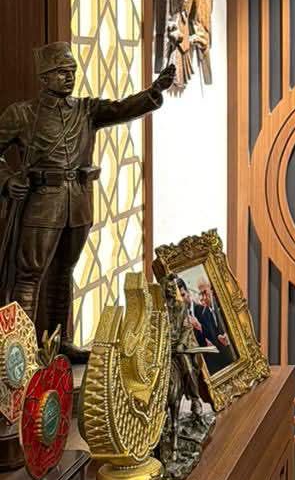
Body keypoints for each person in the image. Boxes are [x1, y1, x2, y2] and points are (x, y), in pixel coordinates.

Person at [0, 43, 173, 347]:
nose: (69, 77)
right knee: (29, 275)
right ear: (44, 78)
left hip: (78, 201)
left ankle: (60, 343)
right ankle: (21, 355)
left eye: (72, 71)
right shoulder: (22, 114)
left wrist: (153, 92)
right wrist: (7, 180)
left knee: (64, 272)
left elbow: (122, 108)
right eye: (61, 72)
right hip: (42, 202)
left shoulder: (86, 109)